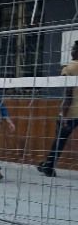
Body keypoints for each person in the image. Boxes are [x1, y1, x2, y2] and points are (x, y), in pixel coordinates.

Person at [38, 43, 78, 178]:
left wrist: (63, 114)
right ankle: (47, 164)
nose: (71, 51)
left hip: (72, 112)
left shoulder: (70, 68)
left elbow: (68, 93)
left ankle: (49, 166)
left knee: (60, 139)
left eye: (74, 49)